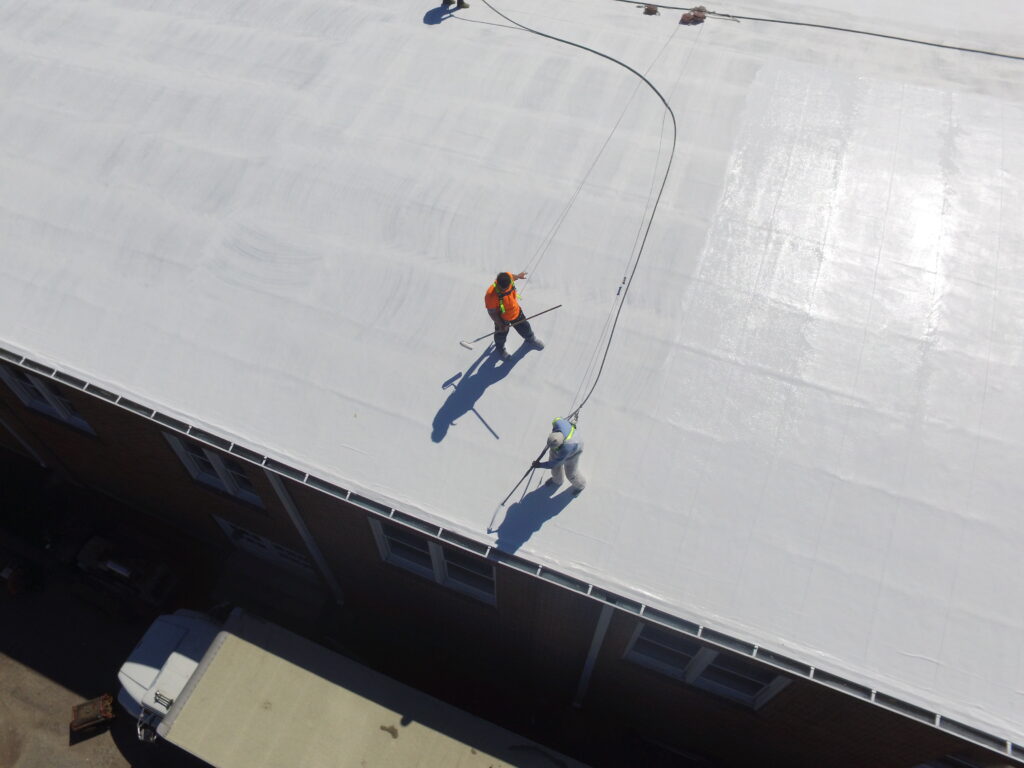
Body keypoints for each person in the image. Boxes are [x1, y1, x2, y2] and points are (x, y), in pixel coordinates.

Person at [485, 271, 544, 361]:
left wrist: (519, 276)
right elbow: (492, 312)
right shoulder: (490, 295)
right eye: (502, 289)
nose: (504, 290)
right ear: (498, 284)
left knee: (525, 327)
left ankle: (530, 339)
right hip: (501, 318)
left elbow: (512, 276)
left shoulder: (508, 277)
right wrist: (500, 324)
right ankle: (500, 348)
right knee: (501, 335)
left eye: (506, 288)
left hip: (515, 311)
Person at [532, 417, 585, 495]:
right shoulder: (558, 423)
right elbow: (557, 419)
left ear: (561, 444)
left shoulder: (566, 448)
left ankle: (581, 485)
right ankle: (557, 481)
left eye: (555, 448)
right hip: (562, 444)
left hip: (574, 451)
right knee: (555, 468)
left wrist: (540, 465)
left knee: (570, 473)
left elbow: (554, 464)